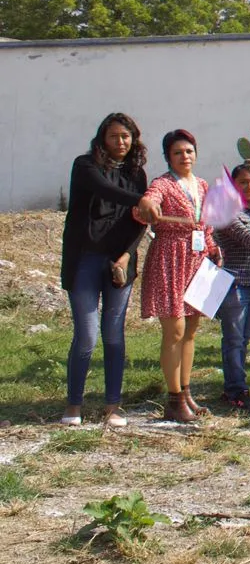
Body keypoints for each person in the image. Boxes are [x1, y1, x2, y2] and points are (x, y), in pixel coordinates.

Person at [60, 112, 149, 427]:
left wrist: (126, 256)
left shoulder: (137, 173)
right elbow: (107, 191)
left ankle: (113, 406)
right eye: (114, 137)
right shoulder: (85, 166)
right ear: (102, 139)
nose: (121, 142)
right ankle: (74, 405)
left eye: (126, 137)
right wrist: (143, 199)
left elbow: (140, 222)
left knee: (113, 334)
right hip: (84, 259)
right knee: (86, 335)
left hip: (119, 263)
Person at [137, 129, 222, 423]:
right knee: (174, 330)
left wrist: (212, 248)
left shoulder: (201, 184)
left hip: (196, 260)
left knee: (191, 331)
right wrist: (148, 206)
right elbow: (149, 203)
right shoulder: (161, 184)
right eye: (177, 153)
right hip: (170, 258)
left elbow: (206, 223)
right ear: (168, 157)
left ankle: (186, 392)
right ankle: (173, 399)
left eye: (188, 151)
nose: (184, 157)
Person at [214, 162, 250, 412]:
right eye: (243, 182)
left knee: (244, 338)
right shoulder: (227, 212)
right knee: (234, 339)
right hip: (235, 284)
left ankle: (236, 386)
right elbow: (248, 239)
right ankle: (235, 391)